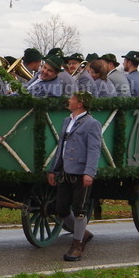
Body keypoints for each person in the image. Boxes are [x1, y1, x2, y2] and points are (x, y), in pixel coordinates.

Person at [47, 91, 102, 261]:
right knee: (61, 209)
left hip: (80, 173)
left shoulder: (92, 124)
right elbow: (60, 149)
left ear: (80, 104)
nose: (69, 101)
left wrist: (89, 172)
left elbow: (94, 150)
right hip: (65, 171)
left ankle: (77, 245)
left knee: (79, 210)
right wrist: (53, 170)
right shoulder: (66, 121)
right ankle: (83, 233)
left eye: (72, 99)